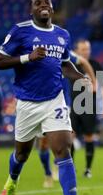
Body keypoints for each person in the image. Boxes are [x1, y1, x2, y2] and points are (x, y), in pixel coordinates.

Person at [0, 0, 90, 195]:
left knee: (63, 150)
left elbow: (65, 64)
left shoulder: (62, 35)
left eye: (47, 2)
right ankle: (12, 179)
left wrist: (80, 77)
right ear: (31, 11)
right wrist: (27, 57)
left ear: (52, 9)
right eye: (38, 3)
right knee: (22, 154)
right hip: (27, 103)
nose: (43, 5)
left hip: (54, 101)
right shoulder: (20, 31)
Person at [37, 50, 97, 187]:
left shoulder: (61, 51)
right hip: (40, 102)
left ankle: (58, 164)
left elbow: (83, 61)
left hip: (61, 103)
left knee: (64, 139)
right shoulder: (37, 52)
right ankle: (47, 173)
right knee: (44, 143)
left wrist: (92, 81)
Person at [69, 39, 103, 178]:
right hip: (74, 106)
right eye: (83, 49)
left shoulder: (96, 65)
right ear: (77, 51)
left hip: (90, 108)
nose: (86, 52)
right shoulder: (71, 64)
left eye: (87, 49)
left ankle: (88, 169)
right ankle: (71, 168)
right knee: (70, 137)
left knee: (89, 137)